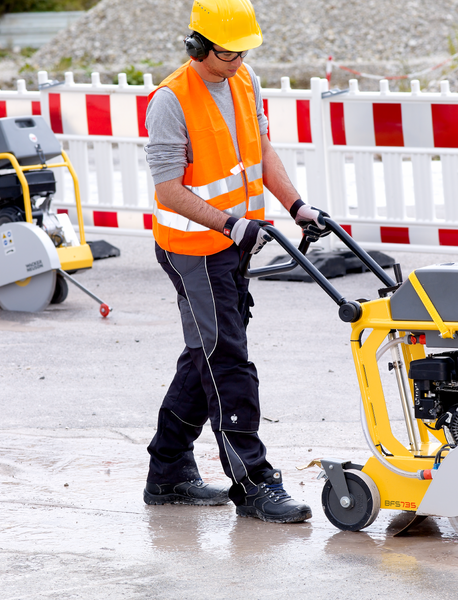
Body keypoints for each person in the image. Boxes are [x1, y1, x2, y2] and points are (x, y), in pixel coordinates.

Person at [142, 0, 332, 523]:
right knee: (227, 360)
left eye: (245, 51)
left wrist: (296, 205)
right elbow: (167, 190)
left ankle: (168, 471)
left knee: (205, 353)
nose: (237, 61)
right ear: (198, 44)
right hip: (193, 249)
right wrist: (227, 223)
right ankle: (253, 484)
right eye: (228, 53)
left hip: (234, 244)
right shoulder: (170, 99)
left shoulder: (245, 81)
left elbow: (261, 151)